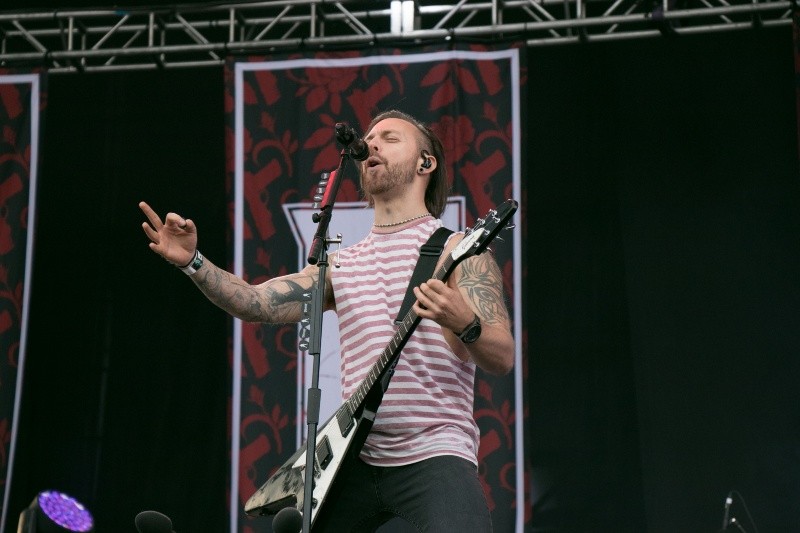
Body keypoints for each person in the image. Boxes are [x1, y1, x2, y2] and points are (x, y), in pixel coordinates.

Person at [139, 109, 515, 532]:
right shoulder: (341, 266)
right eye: (369, 138)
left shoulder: (461, 252)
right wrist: (193, 261)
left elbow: (502, 356)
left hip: (435, 451)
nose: (372, 144)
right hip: (352, 457)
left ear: (425, 163)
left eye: (390, 138)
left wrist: (466, 322)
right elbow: (256, 303)